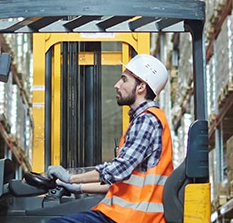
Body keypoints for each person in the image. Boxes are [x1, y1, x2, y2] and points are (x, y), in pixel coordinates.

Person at [47, 54, 174, 223]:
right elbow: (121, 180)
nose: (117, 85)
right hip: (127, 215)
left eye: (124, 80)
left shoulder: (147, 120)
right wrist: (78, 187)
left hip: (132, 217)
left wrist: (70, 177)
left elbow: (119, 169)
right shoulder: (144, 119)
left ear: (141, 86)